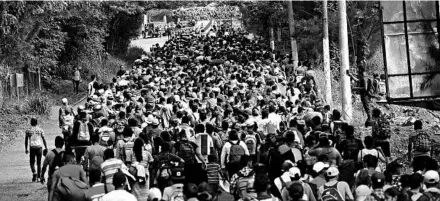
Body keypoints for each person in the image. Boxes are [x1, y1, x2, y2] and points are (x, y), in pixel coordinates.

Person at [41, 136, 65, 200]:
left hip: (51, 179)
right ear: (63, 144)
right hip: (64, 180)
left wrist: (42, 176)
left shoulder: (49, 154)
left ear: (55, 144)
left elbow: (44, 167)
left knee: (51, 194)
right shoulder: (66, 154)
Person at [25, 117, 48, 182]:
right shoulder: (40, 130)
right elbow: (43, 139)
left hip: (32, 147)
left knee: (32, 162)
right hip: (39, 147)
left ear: (31, 123)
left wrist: (26, 148)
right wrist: (46, 147)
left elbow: (26, 140)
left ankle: (34, 172)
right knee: (39, 162)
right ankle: (38, 177)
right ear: (37, 123)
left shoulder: (28, 130)